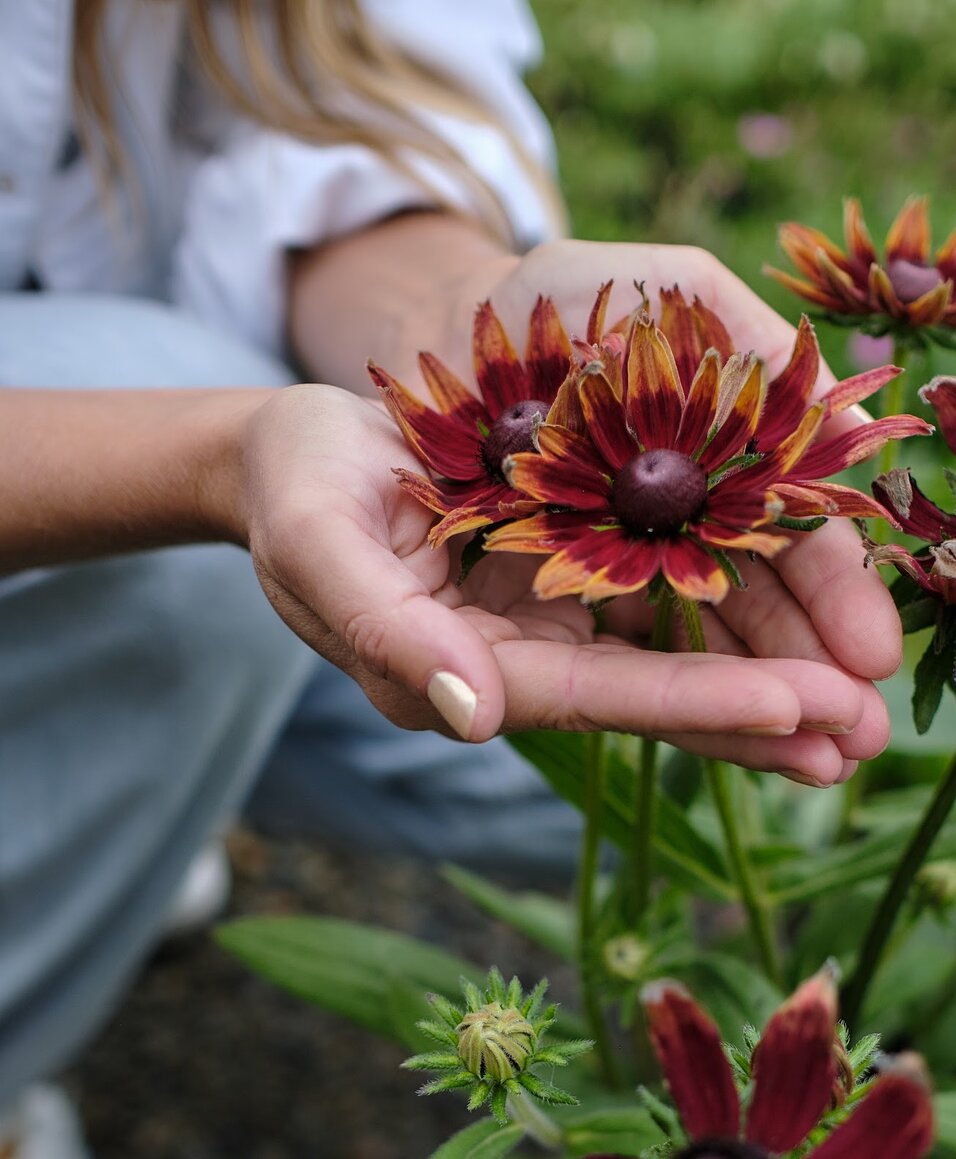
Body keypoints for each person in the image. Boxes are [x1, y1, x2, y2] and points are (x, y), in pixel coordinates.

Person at [0, 2, 902, 1154]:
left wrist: (455, 306)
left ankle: (121, 782)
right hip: (157, 419)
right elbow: (219, 452)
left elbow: (316, 108)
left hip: (252, 394)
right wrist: (203, 461)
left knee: (588, 759)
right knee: (196, 571)